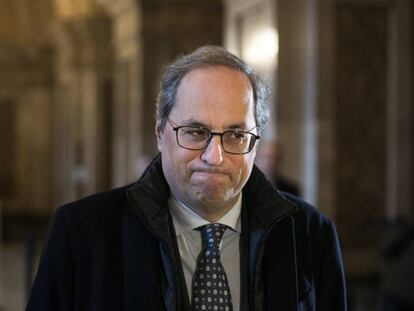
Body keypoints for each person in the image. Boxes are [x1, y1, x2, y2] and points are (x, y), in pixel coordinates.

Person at [26, 46, 347, 310]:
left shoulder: (310, 233)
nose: (214, 157)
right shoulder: (82, 233)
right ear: (159, 131)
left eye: (235, 134)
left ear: (256, 140)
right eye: (195, 132)